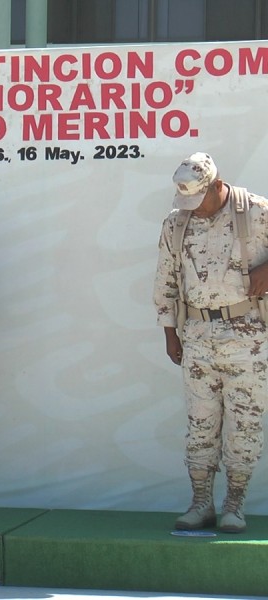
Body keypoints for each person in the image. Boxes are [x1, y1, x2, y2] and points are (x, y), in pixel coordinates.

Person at [154, 152, 268, 534]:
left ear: (217, 186)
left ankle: (234, 504)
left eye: (198, 200)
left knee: (244, 425)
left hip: (249, 337)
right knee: (201, 425)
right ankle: (200, 502)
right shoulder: (177, 223)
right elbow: (166, 279)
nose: (193, 209)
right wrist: (169, 331)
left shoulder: (255, 211)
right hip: (198, 338)